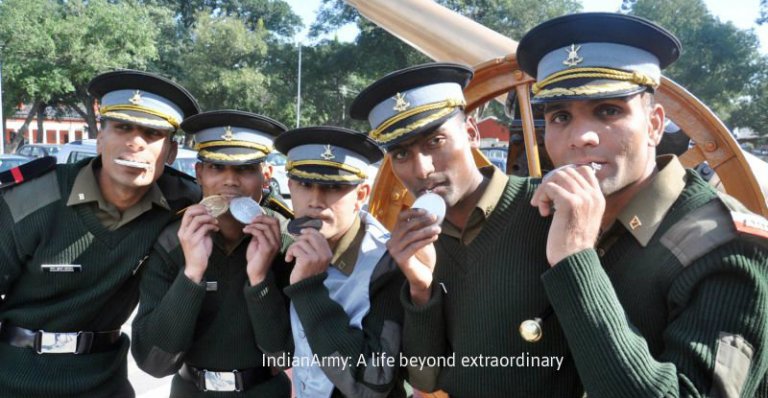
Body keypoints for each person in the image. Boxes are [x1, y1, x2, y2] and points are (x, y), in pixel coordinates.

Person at [516, 12, 768, 396]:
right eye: (560, 116)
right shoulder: (551, 210)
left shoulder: (729, 248)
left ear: (653, 125)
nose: (581, 136)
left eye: (609, 111)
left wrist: (575, 263)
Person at [350, 64, 568, 396]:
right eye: (402, 153)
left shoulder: (545, 209)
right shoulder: (408, 245)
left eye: (435, 141)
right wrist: (420, 291)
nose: (422, 169)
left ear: (471, 133)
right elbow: (424, 380)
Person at [0, 69, 201, 398]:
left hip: (106, 386)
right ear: (100, 137)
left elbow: (240, 200)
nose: (135, 142)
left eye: (152, 133)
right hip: (14, 381)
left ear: (171, 152)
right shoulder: (30, 200)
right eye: (122, 127)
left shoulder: (183, 204)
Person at [130, 110, 294, 397]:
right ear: (199, 174)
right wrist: (192, 273)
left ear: (265, 176)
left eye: (244, 169)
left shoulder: (286, 242)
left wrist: (259, 278)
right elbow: (153, 362)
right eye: (217, 168)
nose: (230, 181)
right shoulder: (171, 240)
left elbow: (284, 356)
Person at [270, 126, 407, 397]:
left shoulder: (386, 263)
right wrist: (258, 279)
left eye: (334, 187)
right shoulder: (294, 246)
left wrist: (310, 290)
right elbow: (280, 354)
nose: (316, 201)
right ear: (290, 187)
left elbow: (371, 384)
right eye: (305, 185)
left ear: (361, 194)